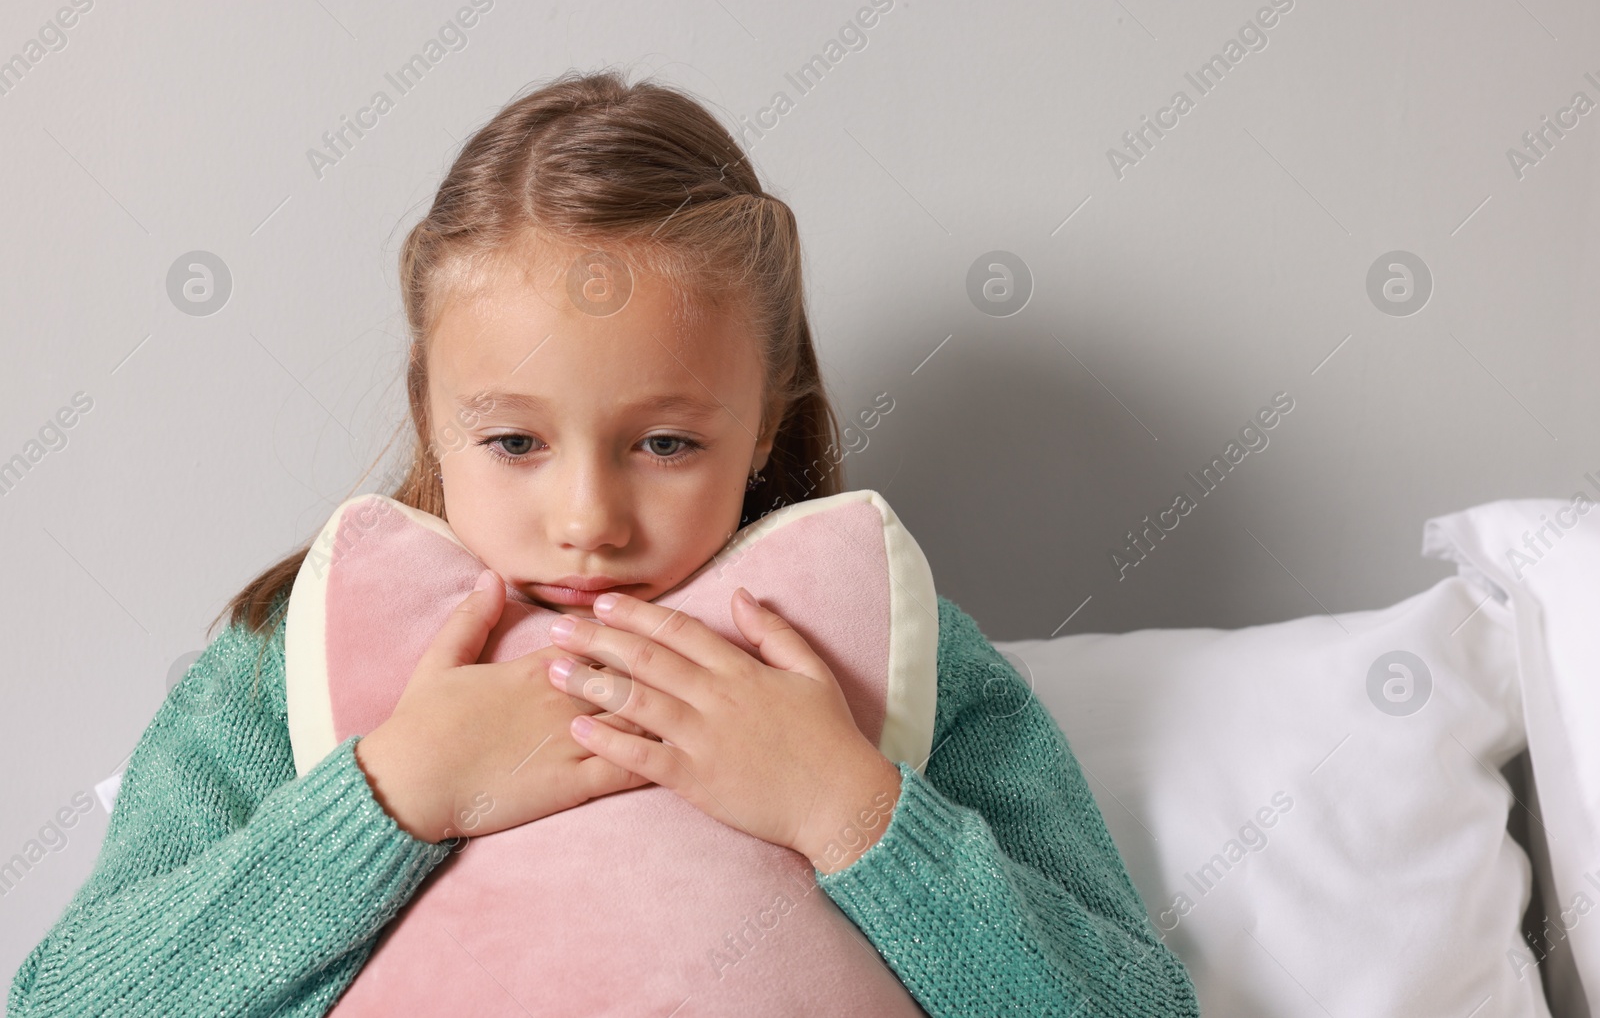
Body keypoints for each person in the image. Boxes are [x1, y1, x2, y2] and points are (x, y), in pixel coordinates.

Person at [8, 68, 1200, 1017]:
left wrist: (848, 808)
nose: (587, 519)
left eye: (667, 443)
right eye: (516, 441)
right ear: (432, 408)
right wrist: (391, 798)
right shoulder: (289, 667)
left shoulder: (893, 655)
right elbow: (68, 1002)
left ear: (765, 420)